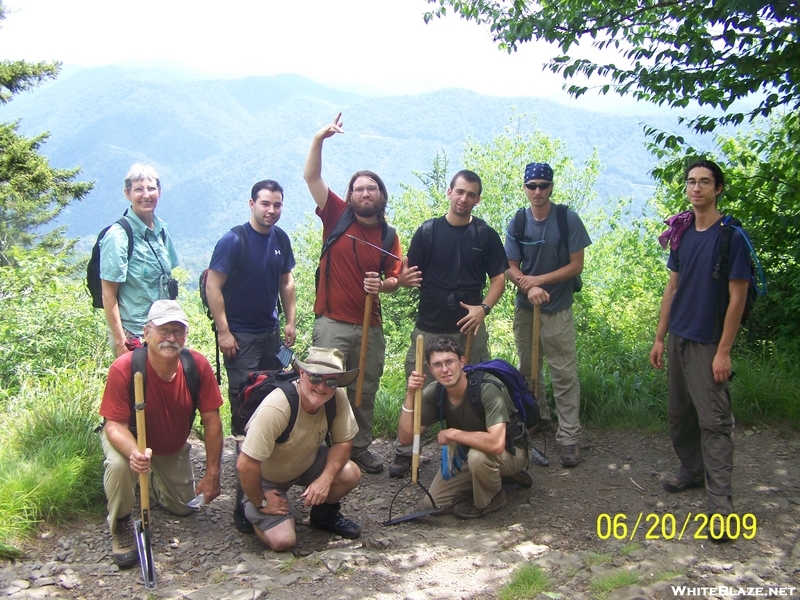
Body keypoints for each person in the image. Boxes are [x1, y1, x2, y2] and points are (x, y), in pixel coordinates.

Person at [303, 112, 405, 474]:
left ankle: (359, 446)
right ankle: (318, 447)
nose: (365, 193)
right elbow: (311, 177)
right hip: (331, 322)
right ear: (349, 195)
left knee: (364, 388)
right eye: (359, 189)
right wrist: (319, 139)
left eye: (371, 189)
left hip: (369, 324)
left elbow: (397, 278)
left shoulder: (390, 236)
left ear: (381, 196)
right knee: (321, 384)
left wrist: (385, 285)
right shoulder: (336, 214)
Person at [389, 169, 508, 478]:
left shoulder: (485, 235)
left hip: (469, 328)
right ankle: (407, 451)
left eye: (471, 194)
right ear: (449, 192)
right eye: (459, 192)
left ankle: (473, 449)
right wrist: (401, 279)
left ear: (478, 199)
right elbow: (408, 277)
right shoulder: (428, 232)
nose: (464, 198)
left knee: (475, 388)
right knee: (419, 387)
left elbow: (499, 279)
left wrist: (483, 309)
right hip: (429, 326)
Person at [649, 159, 750, 518]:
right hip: (678, 337)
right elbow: (672, 288)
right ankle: (692, 470)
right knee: (679, 416)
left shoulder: (731, 237)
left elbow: (737, 297)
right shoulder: (683, 232)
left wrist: (724, 352)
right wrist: (660, 337)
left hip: (708, 342)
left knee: (714, 422)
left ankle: (721, 505)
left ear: (718, 188)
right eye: (691, 182)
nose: (696, 188)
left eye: (705, 182)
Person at [98, 300, 223, 568]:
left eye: (178, 332)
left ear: (186, 335)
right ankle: (120, 523)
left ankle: (151, 480)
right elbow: (114, 425)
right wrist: (134, 452)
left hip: (170, 447)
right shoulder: (125, 368)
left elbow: (212, 421)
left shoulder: (196, 366)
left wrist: (213, 472)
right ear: (146, 333)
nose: (171, 338)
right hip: (131, 439)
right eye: (164, 330)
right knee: (120, 466)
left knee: (183, 507)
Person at [205, 179, 297, 532]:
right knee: (246, 410)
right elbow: (214, 285)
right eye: (265, 204)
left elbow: (286, 282)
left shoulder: (280, 239)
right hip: (240, 336)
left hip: (271, 332)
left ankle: (271, 483)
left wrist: (290, 321)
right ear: (251, 204)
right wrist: (225, 331)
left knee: (275, 403)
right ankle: (245, 500)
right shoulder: (234, 240)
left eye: (277, 204)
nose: (271, 210)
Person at [504, 162, 591, 468]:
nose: (537, 191)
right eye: (532, 186)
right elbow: (510, 266)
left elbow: (575, 265)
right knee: (528, 370)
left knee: (563, 373)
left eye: (543, 185)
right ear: (524, 188)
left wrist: (538, 281)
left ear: (552, 186)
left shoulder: (567, 219)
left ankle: (568, 437)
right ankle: (537, 419)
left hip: (558, 308)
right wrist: (528, 289)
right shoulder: (516, 221)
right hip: (526, 308)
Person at [236, 347, 362, 550]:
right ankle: (250, 504)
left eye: (331, 381)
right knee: (283, 541)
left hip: (306, 461)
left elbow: (344, 441)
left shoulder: (337, 398)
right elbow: (245, 465)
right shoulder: (277, 407)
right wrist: (261, 502)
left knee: (350, 473)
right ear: (302, 374)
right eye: (316, 378)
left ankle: (324, 516)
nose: (322, 387)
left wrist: (325, 479)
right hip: (266, 476)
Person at [398, 335, 531, 519]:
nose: (445, 370)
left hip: (511, 450)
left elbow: (496, 444)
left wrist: (453, 433)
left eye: (449, 362)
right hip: (469, 453)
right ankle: (489, 478)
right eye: (437, 365)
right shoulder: (436, 392)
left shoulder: (487, 388)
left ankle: (492, 498)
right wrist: (410, 394)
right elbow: (406, 438)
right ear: (430, 369)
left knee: (478, 457)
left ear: (462, 361)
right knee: (433, 504)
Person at [100, 164, 180, 357]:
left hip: (163, 328)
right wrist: (121, 343)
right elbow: (108, 295)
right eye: (138, 189)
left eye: (151, 188)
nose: (146, 195)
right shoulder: (119, 236)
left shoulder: (160, 230)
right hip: (134, 333)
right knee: (137, 387)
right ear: (127, 193)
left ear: (159, 192)